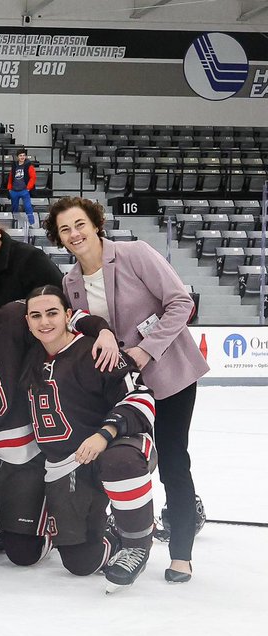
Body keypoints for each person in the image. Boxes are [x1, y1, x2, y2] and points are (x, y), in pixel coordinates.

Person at [49, 196, 208, 583]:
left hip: (168, 375)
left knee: (173, 460)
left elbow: (180, 303)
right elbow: (83, 325)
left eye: (80, 224)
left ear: (95, 223)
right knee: (120, 456)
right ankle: (125, 530)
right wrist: (102, 332)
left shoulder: (134, 253)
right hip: (120, 387)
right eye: (65, 229)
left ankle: (181, 552)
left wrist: (145, 349)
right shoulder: (70, 282)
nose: (74, 234)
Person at [0, 267, 118, 566]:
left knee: (22, 552)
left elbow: (66, 316)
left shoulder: (13, 317)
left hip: (21, 450)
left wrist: (103, 330)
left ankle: (68, 523)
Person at [23, 286, 158, 593]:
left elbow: (141, 398)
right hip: (66, 463)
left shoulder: (97, 351)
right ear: (27, 322)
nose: (44, 322)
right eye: (36, 315)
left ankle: (137, 545)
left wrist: (104, 433)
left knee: (119, 461)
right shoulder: (29, 354)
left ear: (68, 316)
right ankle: (113, 531)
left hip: (116, 445)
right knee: (81, 562)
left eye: (52, 313)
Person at [7, 148, 37, 227]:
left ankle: (32, 224)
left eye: (24, 155)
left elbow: (33, 177)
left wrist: (28, 188)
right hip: (14, 190)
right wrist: (9, 188)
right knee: (14, 208)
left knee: (28, 207)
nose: (22, 157)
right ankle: (15, 224)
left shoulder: (29, 166)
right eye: (20, 155)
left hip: (24, 190)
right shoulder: (14, 166)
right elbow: (10, 177)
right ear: (17, 157)